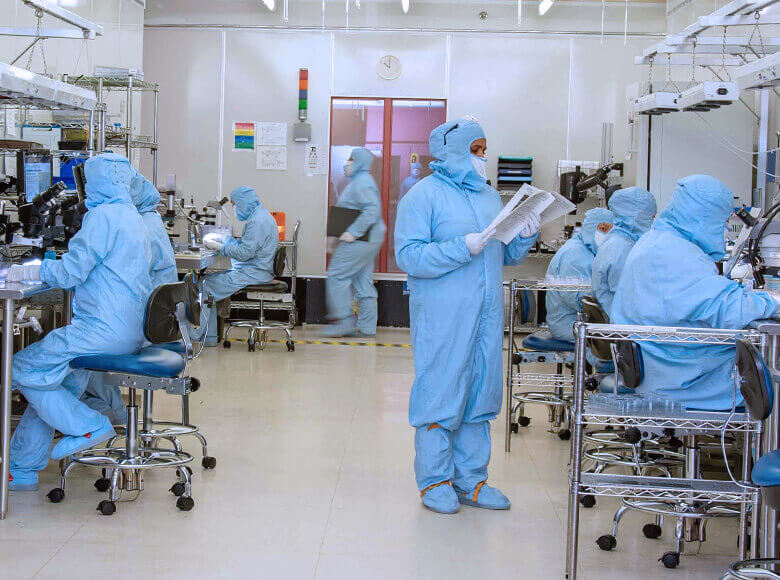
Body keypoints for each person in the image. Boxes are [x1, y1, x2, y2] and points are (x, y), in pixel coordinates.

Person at [395, 118, 540, 514]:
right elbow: (408, 256)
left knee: (480, 396)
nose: (484, 157)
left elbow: (503, 255)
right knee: (440, 394)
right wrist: (462, 246)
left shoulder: (490, 197)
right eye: (477, 150)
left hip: (487, 317)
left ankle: (471, 481)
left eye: (485, 149)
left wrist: (524, 234)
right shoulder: (422, 197)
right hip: (444, 317)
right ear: (453, 150)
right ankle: (435, 481)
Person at [7, 153, 153, 490]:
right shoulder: (133, 217)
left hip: (101, 331)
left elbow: (71, 272)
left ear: (97, 182)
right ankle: (23, 468)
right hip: (130, 330)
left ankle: (88, 425)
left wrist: (31, 270)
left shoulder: (102, 217)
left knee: (23, 368)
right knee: (57, 384)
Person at [611, 175, 779, 410]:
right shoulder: (674, 253)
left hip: (660, 368)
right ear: (704, 217)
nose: (725, 229)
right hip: (685, 382)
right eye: (721, 221)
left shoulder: (658, 242)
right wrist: (772, 301)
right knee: (772, 378)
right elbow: (730, 309)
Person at [81, 168, 177, 424]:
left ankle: (109, 413)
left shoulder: (141, 227)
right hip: (155, 324)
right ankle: (102, 410)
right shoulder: (148, 221)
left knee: (81, 354)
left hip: (144, 329)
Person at [199, 186, 278, 345]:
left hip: (253, 274)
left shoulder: (258, 221)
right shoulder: (259, 216)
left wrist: (220, 247)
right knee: (208, 281)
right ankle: (210, 337)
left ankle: (202, 337)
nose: (234, 209)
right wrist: (225, 240)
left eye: (234, 205)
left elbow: (244, 253)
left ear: (242, 202)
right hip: (255, 270)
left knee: (203, 286)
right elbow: (247, 245)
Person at [323, 147, 386, 337]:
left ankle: (344, 322)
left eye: (351, 159)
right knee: (362, 280)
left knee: (336, 275)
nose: (347, 163)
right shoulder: (359, 182)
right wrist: (333, 238)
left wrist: (353, 232)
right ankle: (367, 327)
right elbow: (347, 211)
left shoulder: (362, 183)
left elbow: (372, 210)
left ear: (359, 162)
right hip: (367, 239)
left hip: (361, 238)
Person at [545, 207, 614, 341]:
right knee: (612, 344)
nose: (608, 236)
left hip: (580, 321)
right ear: (591, 227)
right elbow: (578, 301)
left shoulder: (587, 251)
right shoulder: (575, 254)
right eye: (604, 229)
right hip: (568, 324)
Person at [591, 187, 657, 316]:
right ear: (634, 216)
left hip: (613, 314)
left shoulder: (615, 241)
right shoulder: (622, 247)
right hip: (620, 321)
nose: (653, 221)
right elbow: (626, 295)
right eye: (650, 217)